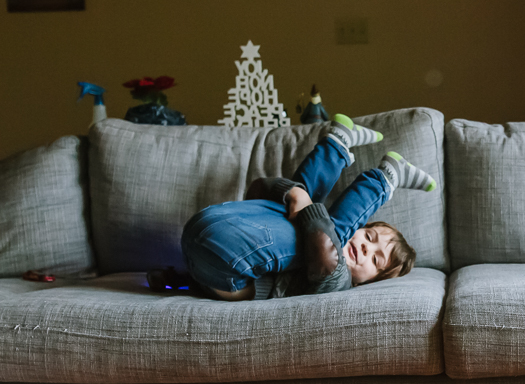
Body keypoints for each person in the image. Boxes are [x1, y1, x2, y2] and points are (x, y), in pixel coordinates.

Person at [149, 114, 435, 300]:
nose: (365, 249)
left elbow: (325, 255)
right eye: (369, 238)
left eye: (375, 261)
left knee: (324, 242)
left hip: (219, 257)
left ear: (364, 284)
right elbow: (266, 188)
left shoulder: (338, 282)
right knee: (313, 223)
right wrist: (295, 192)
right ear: (361, 226)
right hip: (214, 229)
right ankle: (364, 160)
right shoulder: (325, 241)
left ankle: (352, 152)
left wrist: (177, 281)